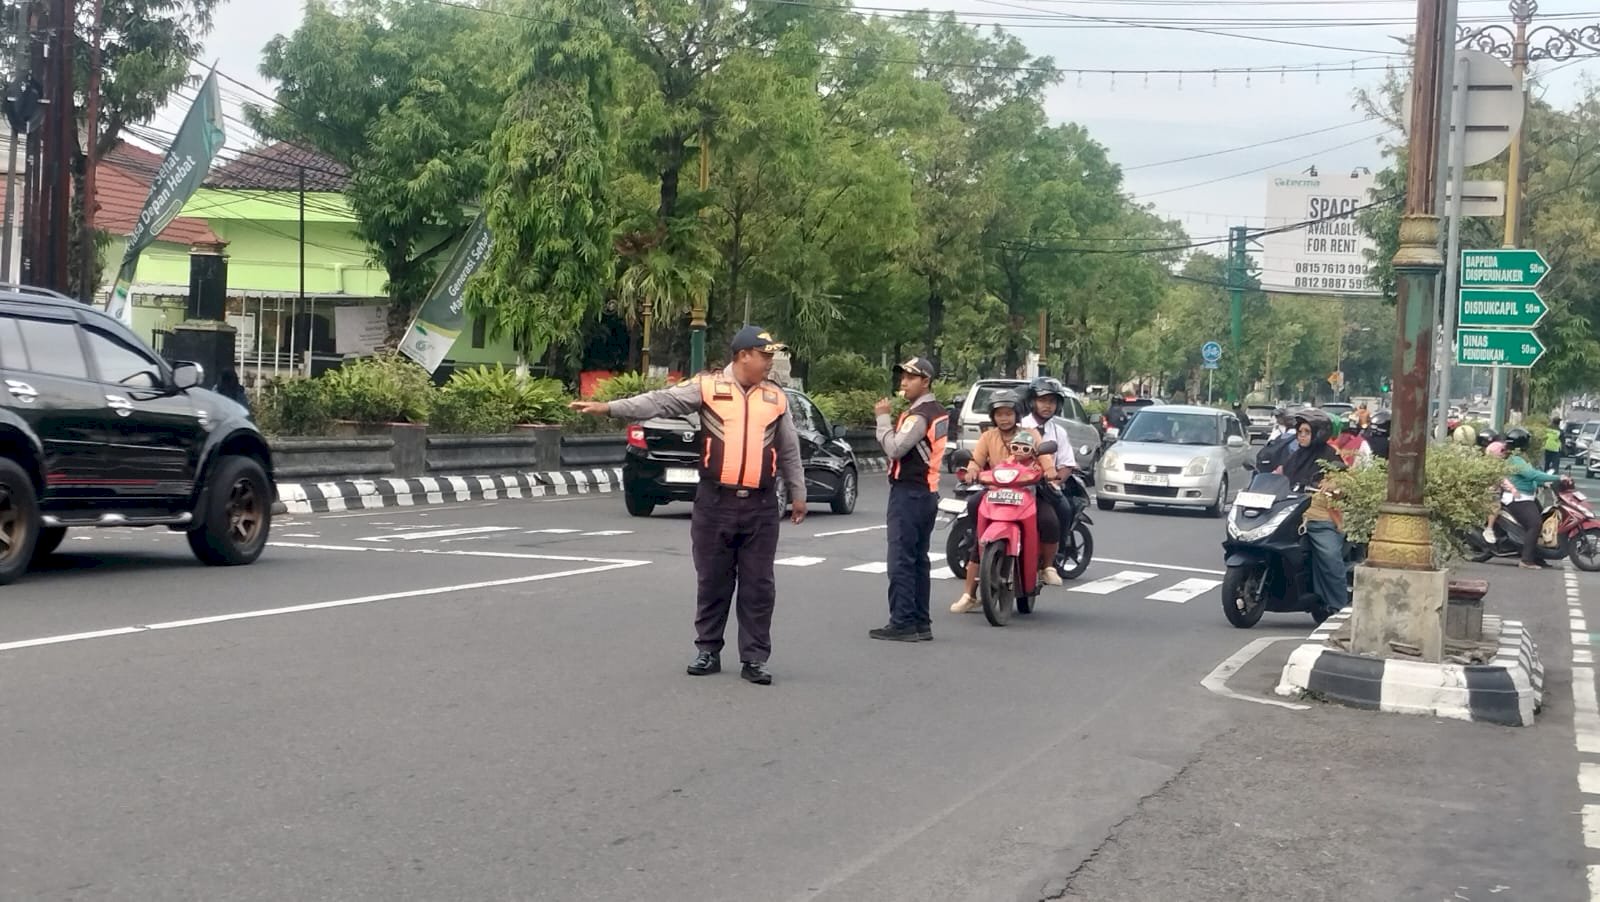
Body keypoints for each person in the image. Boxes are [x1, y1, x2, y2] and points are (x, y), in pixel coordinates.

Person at [569, 325, 806, 685]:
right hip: (715, 502)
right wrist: (609, 407)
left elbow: (788, 449)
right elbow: (659, 401)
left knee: (759, 586)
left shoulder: (775, 398)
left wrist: (798, 491)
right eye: (765, 355)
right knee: (713, 581)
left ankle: (755, 658)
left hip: (760, 505)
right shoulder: (708, 388)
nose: (769, 362)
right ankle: (708, 650)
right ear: (743, 355)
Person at [949, 391, 1056, 613]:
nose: (1004, 418)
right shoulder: (988, 437)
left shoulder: (1030, 433)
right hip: (996, 492)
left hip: (1028, 492)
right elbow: (976, 461)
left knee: (1049, 520)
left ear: (1017, 415)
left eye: (1008, 413)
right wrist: (971, 472)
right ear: (993, 416)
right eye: (999, 414)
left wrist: (1050, 471)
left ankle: (1047, 566)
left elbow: (1045, 456)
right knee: (974, 516)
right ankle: (969, 594)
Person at [871, 356, 950, 642]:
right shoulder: (938, 411)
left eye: (910, 377)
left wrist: (882, 418)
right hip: (927, 492)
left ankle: (902, 621)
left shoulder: (919, 416)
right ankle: (920, 621)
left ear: (925, 381)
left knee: (901, 559)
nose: (903, 382)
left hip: (909, 492)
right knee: (918, 559)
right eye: (902, 376)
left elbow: (895, 448)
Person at [1274, 410, 1347, 622]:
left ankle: (1339, 610)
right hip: (1289, 513)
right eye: (1299, 431)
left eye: (1307, 432)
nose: (1302, 436)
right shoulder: (1294, 456)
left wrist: (1333, 484)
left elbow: (1343, 479)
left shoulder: (1330, 457)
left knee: (1330, 556)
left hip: (1319, 516)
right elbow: (1279, 475)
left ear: (1318, 433)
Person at [1021, 376, 1079, 569]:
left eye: (1052, 401)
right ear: (1032, 401)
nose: (1047, 406)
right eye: (1043, 400)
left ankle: (1054, 558)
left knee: (1062, 510)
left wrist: (1056, 481)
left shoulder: (1059, 432)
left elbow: (1067, 464)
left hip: (1045, 489)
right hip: (1016, 485)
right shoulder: (1020, 426)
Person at [1502, 427, 1560, 569]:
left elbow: (1532, 478)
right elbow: (1531, 475)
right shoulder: (1515, 460)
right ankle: (1526, 560)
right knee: (1535, 524)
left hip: (1527, 497)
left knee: (1544, 519)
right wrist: (1557, 477)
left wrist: (1544, 482)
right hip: (1518, 499)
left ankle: (1537, 556)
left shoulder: (1520, 458)